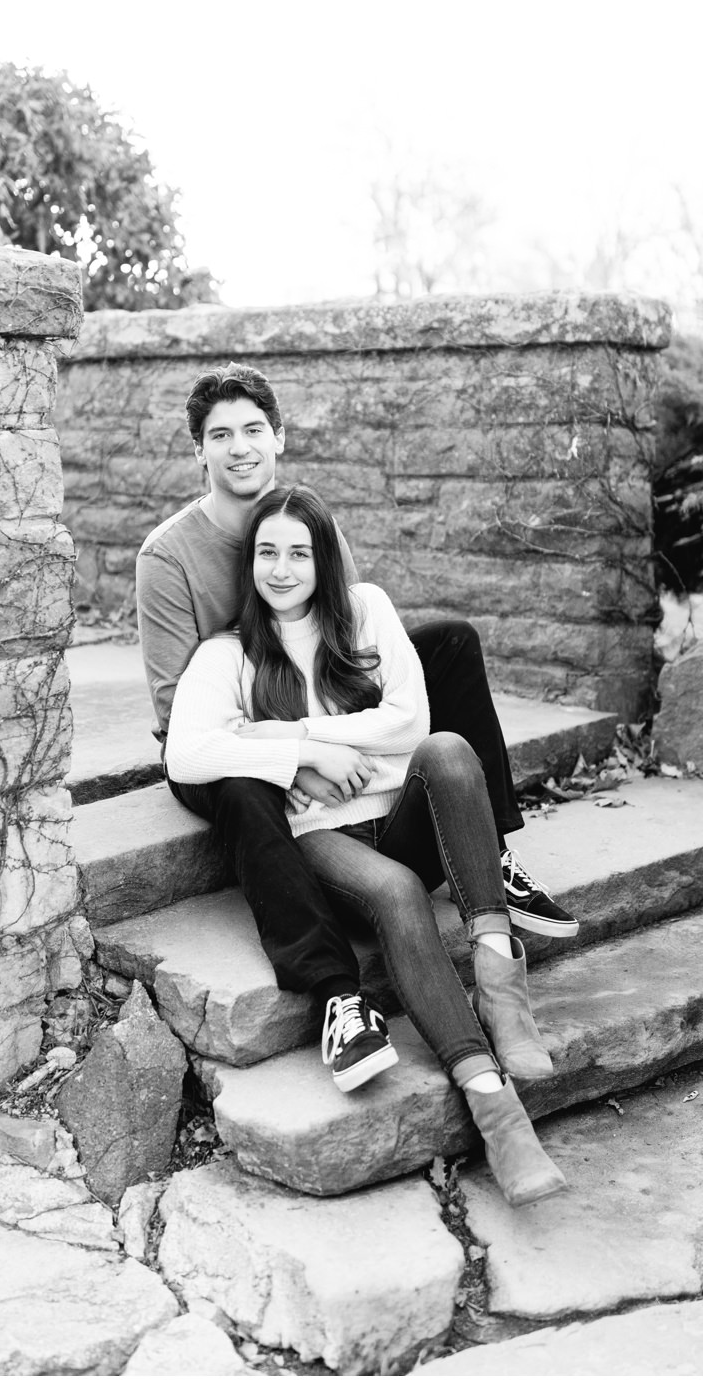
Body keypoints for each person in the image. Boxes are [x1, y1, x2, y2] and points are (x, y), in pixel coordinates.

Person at [165, 484, 567, 1206]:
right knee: (395, 891)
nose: (281, 569)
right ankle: (492, 1104)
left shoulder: (367, 610)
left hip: (401, 817)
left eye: (298, 553)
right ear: (249, 562)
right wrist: (298, 758)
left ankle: (503, 987)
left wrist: (274, 735)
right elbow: (187, 756)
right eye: (266, 553)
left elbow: (410, 723)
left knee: (447, 749)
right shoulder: (228, 654)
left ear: (324, 559)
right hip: (324, 842)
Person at [136, 362, 579, 948]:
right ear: (200, 451)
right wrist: (298, 758)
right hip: (229, 733)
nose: (239, 449)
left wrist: (333, 735)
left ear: (279, 438)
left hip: (302, 705)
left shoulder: (310, 522)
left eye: (252, 430)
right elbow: (177, 712)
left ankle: (491, 852)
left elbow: (345, 646)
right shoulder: (168, 556)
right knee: (241, 780)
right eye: (220, 436)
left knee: (451, 643)